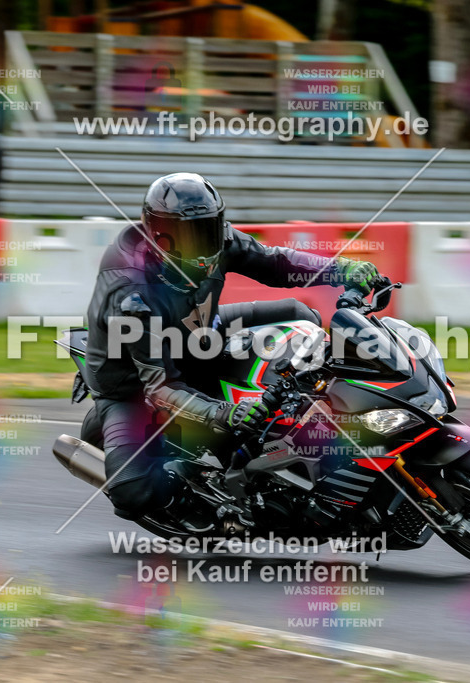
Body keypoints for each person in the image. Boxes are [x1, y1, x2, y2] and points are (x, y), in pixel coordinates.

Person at [83, 172, 380, 522]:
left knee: (302, 315)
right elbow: (159, 385)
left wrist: (340, 270)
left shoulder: (219, 240)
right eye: (190, 234)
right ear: (159, 234)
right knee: (132, 492)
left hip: (199, 330)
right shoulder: (132, 293)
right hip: (133, 384)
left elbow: (275, 261)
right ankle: (198, 502)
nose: (205, 241)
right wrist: (226, 413)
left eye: (209, 227)